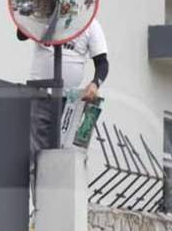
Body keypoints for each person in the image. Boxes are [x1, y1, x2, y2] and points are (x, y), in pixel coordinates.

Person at [18, 17, 108, 153]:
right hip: (41, 95)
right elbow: (21, 35)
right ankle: (34, 174)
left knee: (65, 151)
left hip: (70, 101)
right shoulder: (45, 17)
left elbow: (102, 62)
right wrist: (40, 16)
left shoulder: (91, 24)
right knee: (35, 150)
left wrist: (95, 84)